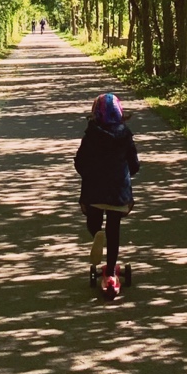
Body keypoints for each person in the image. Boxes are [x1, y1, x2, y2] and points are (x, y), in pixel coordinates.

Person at [73, 92, 140, 297]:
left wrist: (90, 174)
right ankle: (110, 272)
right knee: (114, 228)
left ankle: (96, 235)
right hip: (118, 193)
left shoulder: (90, 136)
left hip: (93, 192)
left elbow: (79, 163)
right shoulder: (125, 135)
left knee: (94, 220)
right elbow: (135, 166)